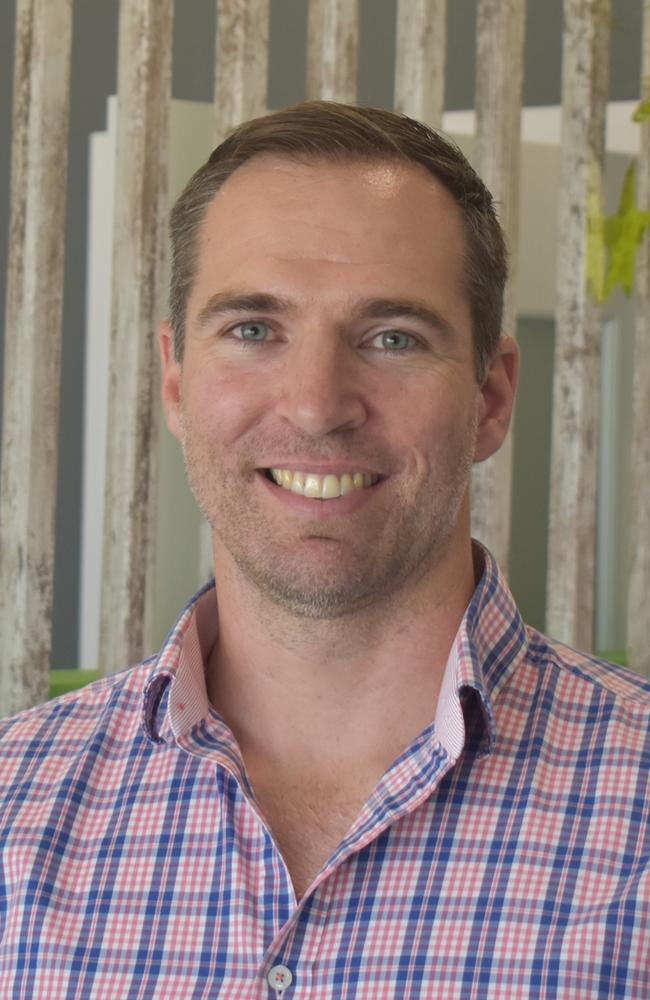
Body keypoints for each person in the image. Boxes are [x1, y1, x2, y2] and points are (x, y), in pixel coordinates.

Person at [1, 102, 648, 1000]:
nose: (316, 404)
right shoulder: (12, 807)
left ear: (492, 398)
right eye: (253, 330)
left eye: (392, 338)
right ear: (178, 381)